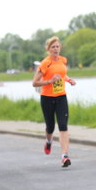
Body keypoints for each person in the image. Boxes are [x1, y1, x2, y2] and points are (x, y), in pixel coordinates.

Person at [32, 36, 76, 168]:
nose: (56, 49)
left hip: (61, 96)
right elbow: (35, 82)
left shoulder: (63, 60)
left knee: (63, 125)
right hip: (47, 97)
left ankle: (64, 156)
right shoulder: (45, 63)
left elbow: (62, 75)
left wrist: (68, 80)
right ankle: (48, 140)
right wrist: (49, 81)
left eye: (57, 46)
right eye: (53, 47)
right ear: (48, 49)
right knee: (50, 126)